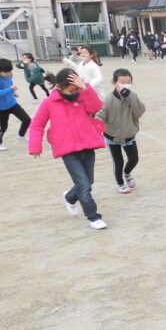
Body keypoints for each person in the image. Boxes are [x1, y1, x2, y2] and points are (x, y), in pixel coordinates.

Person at [28, 68, 108, 229]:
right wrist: (35, 146)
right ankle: (93, 217)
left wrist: (85, 88)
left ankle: (70, 197)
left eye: (76, 89)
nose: (74, 93)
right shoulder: (49, 103)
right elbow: (37, 124)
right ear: (59, 87)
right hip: (68, 149)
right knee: (84, 184)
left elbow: (95, 108)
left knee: (88, 182)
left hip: (87, 145)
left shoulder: (83, 96)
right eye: (71, 90)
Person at [95, 68, 145, 194]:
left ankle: (127, 173)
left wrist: (130, 97)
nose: (125, 85)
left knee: (134, 159)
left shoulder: (133, 96)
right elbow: (100, 115)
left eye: (129, 82)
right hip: (112, 135)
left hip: (129, 134)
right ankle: (120, 183)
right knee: (118, 162)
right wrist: (94, 128)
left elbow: (140, 111)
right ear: (114, 83)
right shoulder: (108, 99)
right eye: (122, 82)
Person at [0, 58, 31, 152]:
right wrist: (11, 90)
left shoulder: (10, 75)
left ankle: (21, 135)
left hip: (12, 104)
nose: (8, 74)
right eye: (6, 72)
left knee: (27, 119)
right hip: (1, 108)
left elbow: (10, 85)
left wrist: (13, 93)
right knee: (3, 127)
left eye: (10, 71)